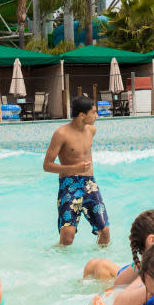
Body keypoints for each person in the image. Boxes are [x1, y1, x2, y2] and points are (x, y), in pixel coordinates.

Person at [43, 94, 110, 247]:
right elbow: (47, 165)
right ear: (82, 115)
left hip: (89, 184)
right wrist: (74, 168)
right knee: (67, 237)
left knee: (104, 231)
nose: (97, 115)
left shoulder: (91, 130)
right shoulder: (61, 134)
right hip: (69, 184)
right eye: (93, 112)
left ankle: (98, 263)